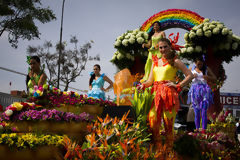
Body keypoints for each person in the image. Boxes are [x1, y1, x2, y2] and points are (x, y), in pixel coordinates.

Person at [141, 38, 193, 152]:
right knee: (152, 119)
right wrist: (143, 86)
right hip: (156, 95)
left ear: (170, 47)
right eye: (160, 47)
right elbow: (150, 80)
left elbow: (190, 75)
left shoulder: (175, 61)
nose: (163, 49)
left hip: (169, 95)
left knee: (168, 124)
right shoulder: (154, 62)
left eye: (165, 47)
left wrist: (178, 85)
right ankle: (158, 149)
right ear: (158, 49)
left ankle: (169, 152)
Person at [187, 56, 217, 131]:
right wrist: (192, 76)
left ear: (203, 63)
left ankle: (204, 130)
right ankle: (197, 129)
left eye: (201, 64)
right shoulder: (191, 69)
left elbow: (215, 78)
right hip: (195, 91)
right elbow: (186, 78)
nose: (199, 66)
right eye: (198, 64)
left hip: (204, 91)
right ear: (195, 63)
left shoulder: (206, 68)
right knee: (196, 111)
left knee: (204, 111)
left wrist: (207, 77)